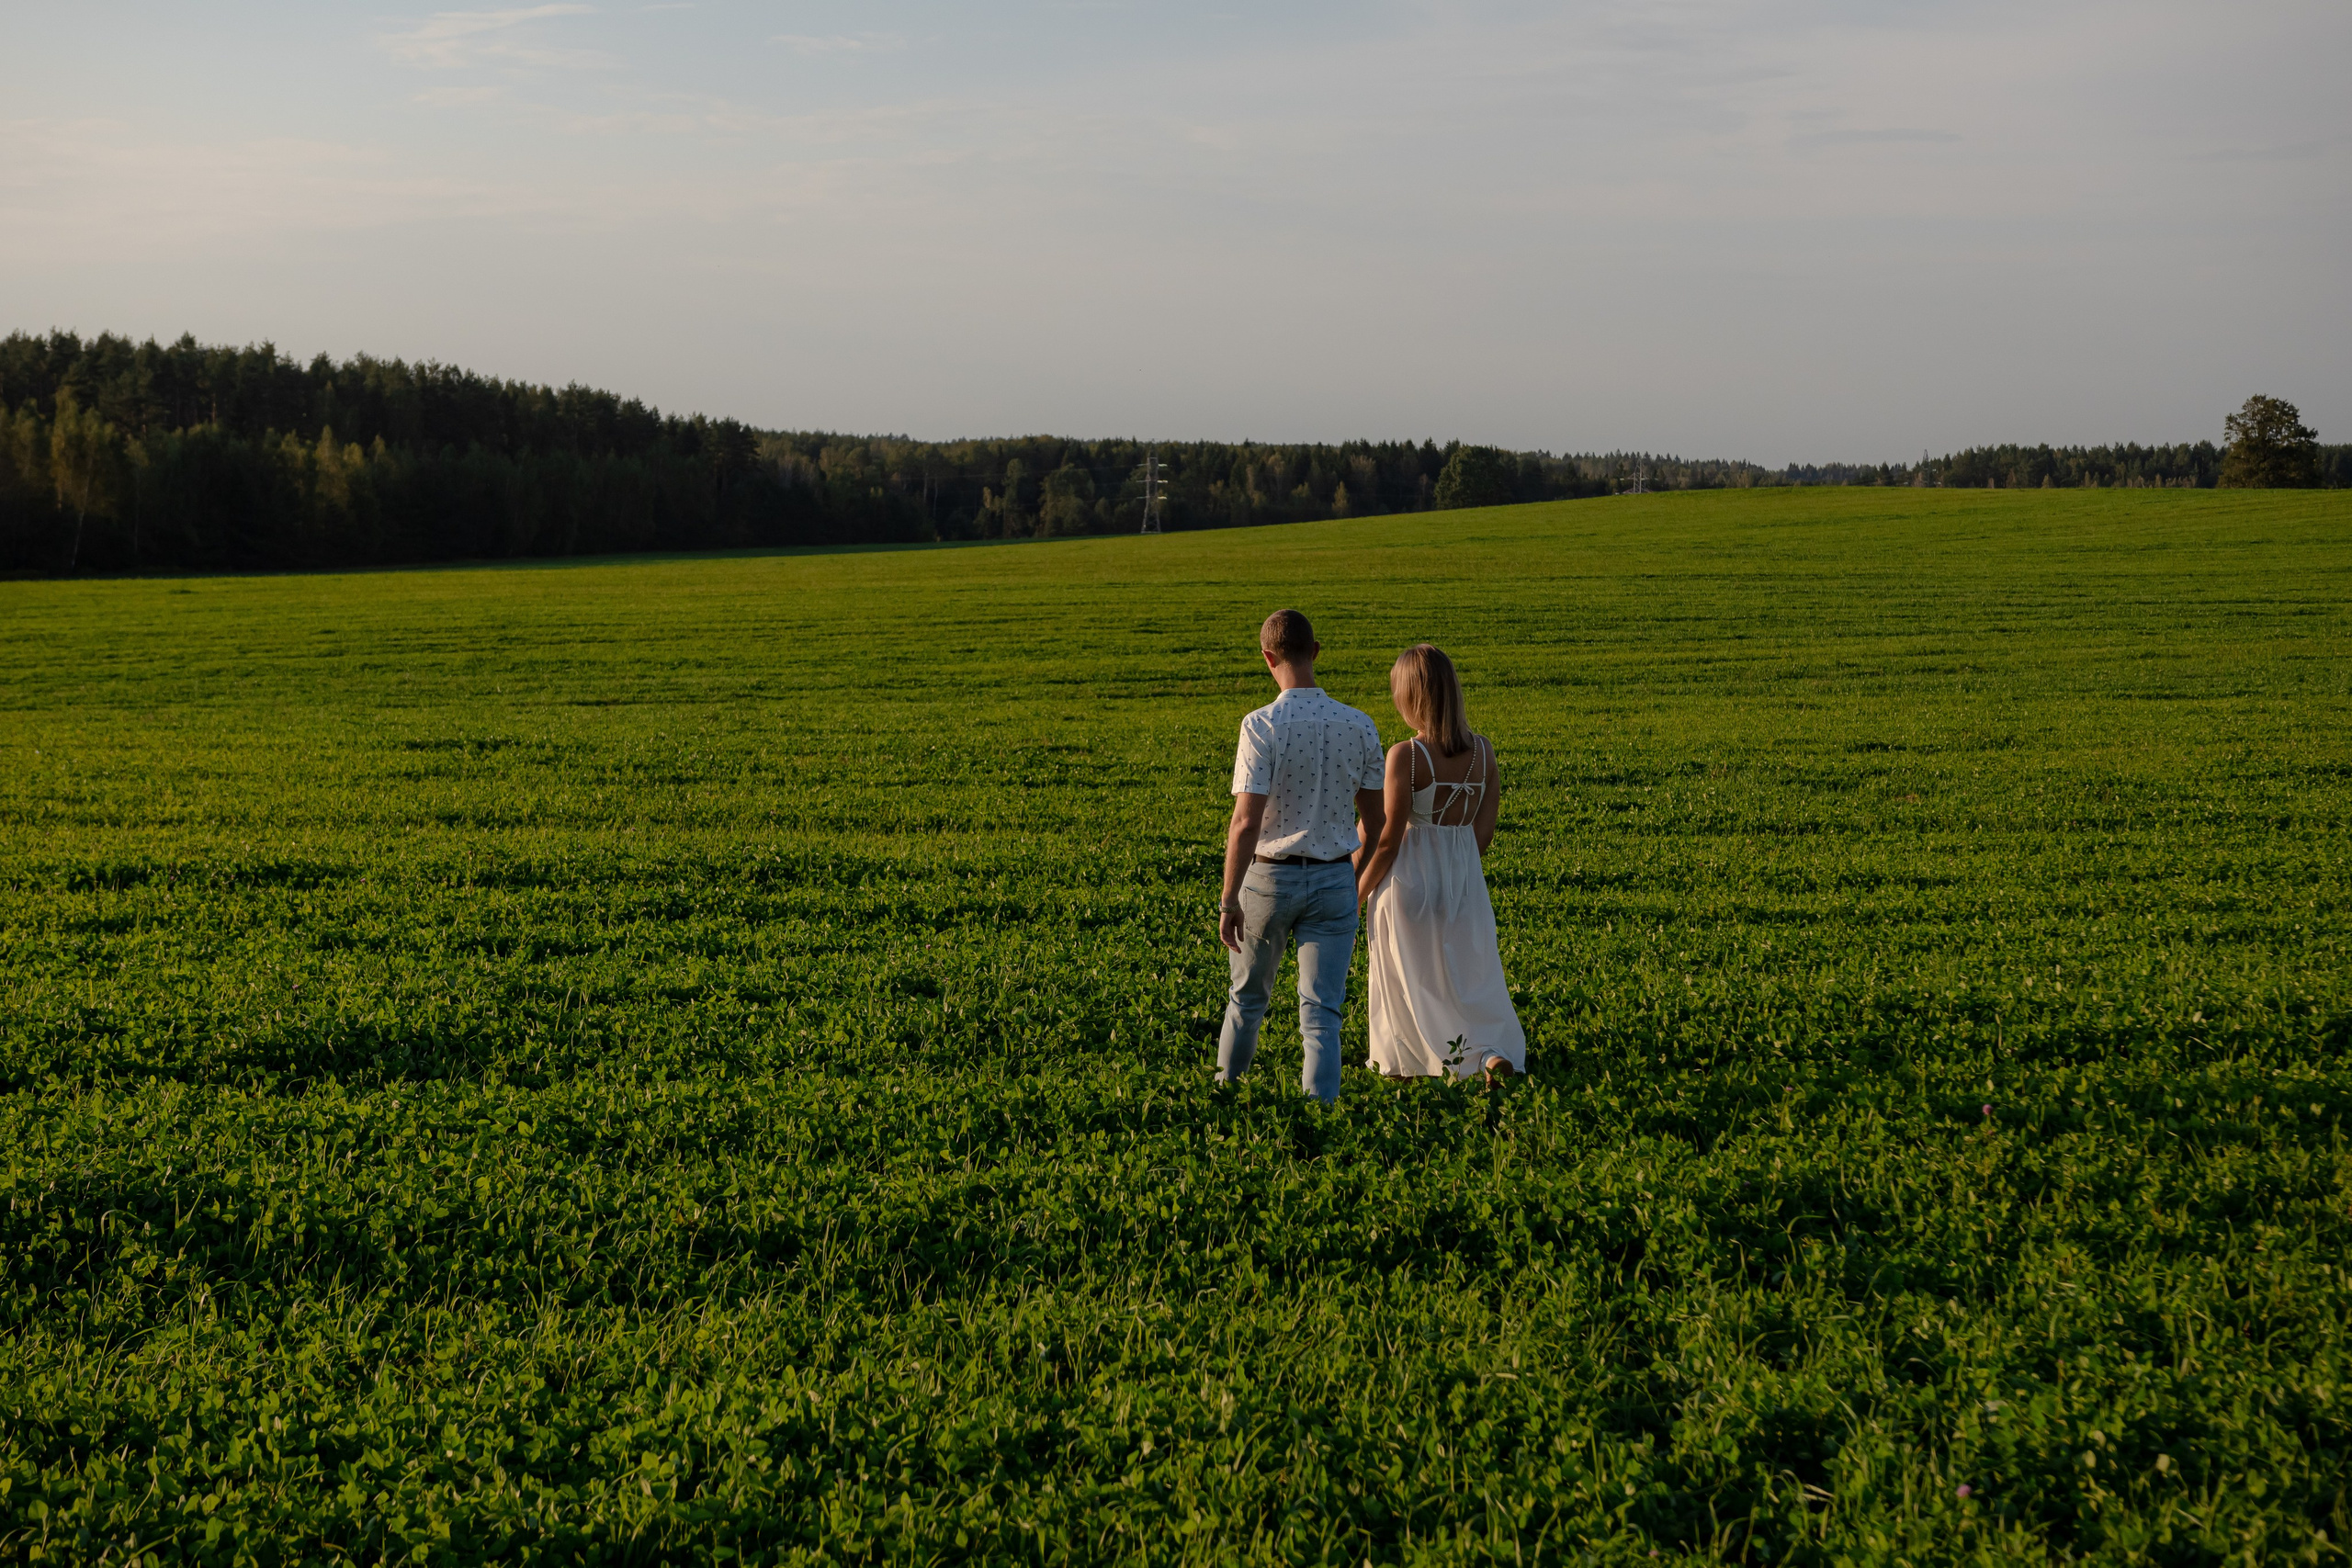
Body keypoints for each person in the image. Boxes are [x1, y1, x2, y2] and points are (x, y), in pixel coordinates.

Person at [1216, 609, 1387, 1103]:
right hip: (1335, 880)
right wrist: (1349, 874)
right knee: (1322, 1014)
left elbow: (1245, 823)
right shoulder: (1359, 724)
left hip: (1269, 879)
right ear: (1315, 651)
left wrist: (1229, 900)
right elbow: (1375, 822)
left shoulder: (1260, 725)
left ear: (1268, 658)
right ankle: (1321, 1114)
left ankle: (1226, 1098)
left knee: (1247, 1002)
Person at [1355, 643, 1527, 1085]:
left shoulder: (1407, 755)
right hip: (1463, 880)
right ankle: (1488, 1054)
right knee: (1465, 976)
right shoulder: (1484, 752)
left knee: (1408, 977)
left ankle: (1408, 1064)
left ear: (1410, 697)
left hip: (1407, 880)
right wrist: (1455, 869)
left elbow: (1388, 840)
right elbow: (1482, 836)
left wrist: (1357, 892)